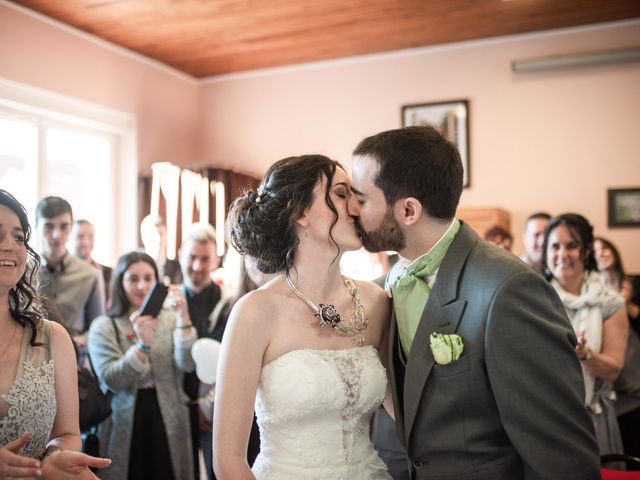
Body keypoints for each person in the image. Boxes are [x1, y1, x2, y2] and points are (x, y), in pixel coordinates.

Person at [348, 126, 600, 479]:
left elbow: (561, 457)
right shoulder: (384, 287)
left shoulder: (509, 290)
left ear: (408, 211)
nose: (351, 209)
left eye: (361, 199)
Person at [213, 155, 392, 479]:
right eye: (341, 193)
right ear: (299, 212)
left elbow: (404, 414)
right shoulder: (255, 313)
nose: (356, 206)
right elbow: (228, 460)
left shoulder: (376, 302)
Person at [0, 189, 111, 479]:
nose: (9, 245)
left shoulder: (53, 338)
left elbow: (66, 433)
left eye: (19, 237)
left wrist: (53, 457)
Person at [87, 251, 196, 480]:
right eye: (133, 279)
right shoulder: (105, 326)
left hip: (169, 415)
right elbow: (111, 379)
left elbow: (186, 364)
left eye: (148, 278)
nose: (141, 286)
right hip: (124, 420)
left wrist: (183, 318)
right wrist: (142, 347)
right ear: (120, 282)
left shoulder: (169, 318)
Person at [542, 214, 628, 457]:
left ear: (587, 251)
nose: (562, 254)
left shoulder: (610, 303)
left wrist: (585, 354)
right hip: (547, 416)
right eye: (555, 246)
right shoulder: (534, 297)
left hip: (593, 417)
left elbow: (613, 369)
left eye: (572, 245)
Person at [177, 223, 226, 480]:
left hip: (215, 410)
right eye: (192, 258)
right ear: (180, 255)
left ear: (216, 259)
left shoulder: (228, 303)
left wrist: (207, 407)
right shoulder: (168, 303)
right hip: (176, 408)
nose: (197, 266)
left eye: (205, 259)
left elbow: (230, 363)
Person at [35, 197, 106, 365]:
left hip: (76, 362)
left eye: (63, 226)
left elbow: (98, 327)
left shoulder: (91, 275)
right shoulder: (23, 271)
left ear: (71, 227)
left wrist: (84, 339)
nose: (56, 234)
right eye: (49, 226)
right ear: (37, 226)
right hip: (30, 361)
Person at [593, 236, 640, 460]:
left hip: (633, 353)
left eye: (604, 248)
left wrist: (626, 304)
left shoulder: (632, 282)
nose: (601, 253)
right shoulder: (592, 288)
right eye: (595, 251)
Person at [71, 219, 113, 306]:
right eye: (80, 237)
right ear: (70, 238)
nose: (86, 242)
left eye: (91, 237)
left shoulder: (108, 273)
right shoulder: (62, 273)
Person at [140, 215, 183, 285]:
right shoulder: (137, 267)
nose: (158, 240)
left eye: (161, 234)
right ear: (143, 237)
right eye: (153, 235)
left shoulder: (178, 268)